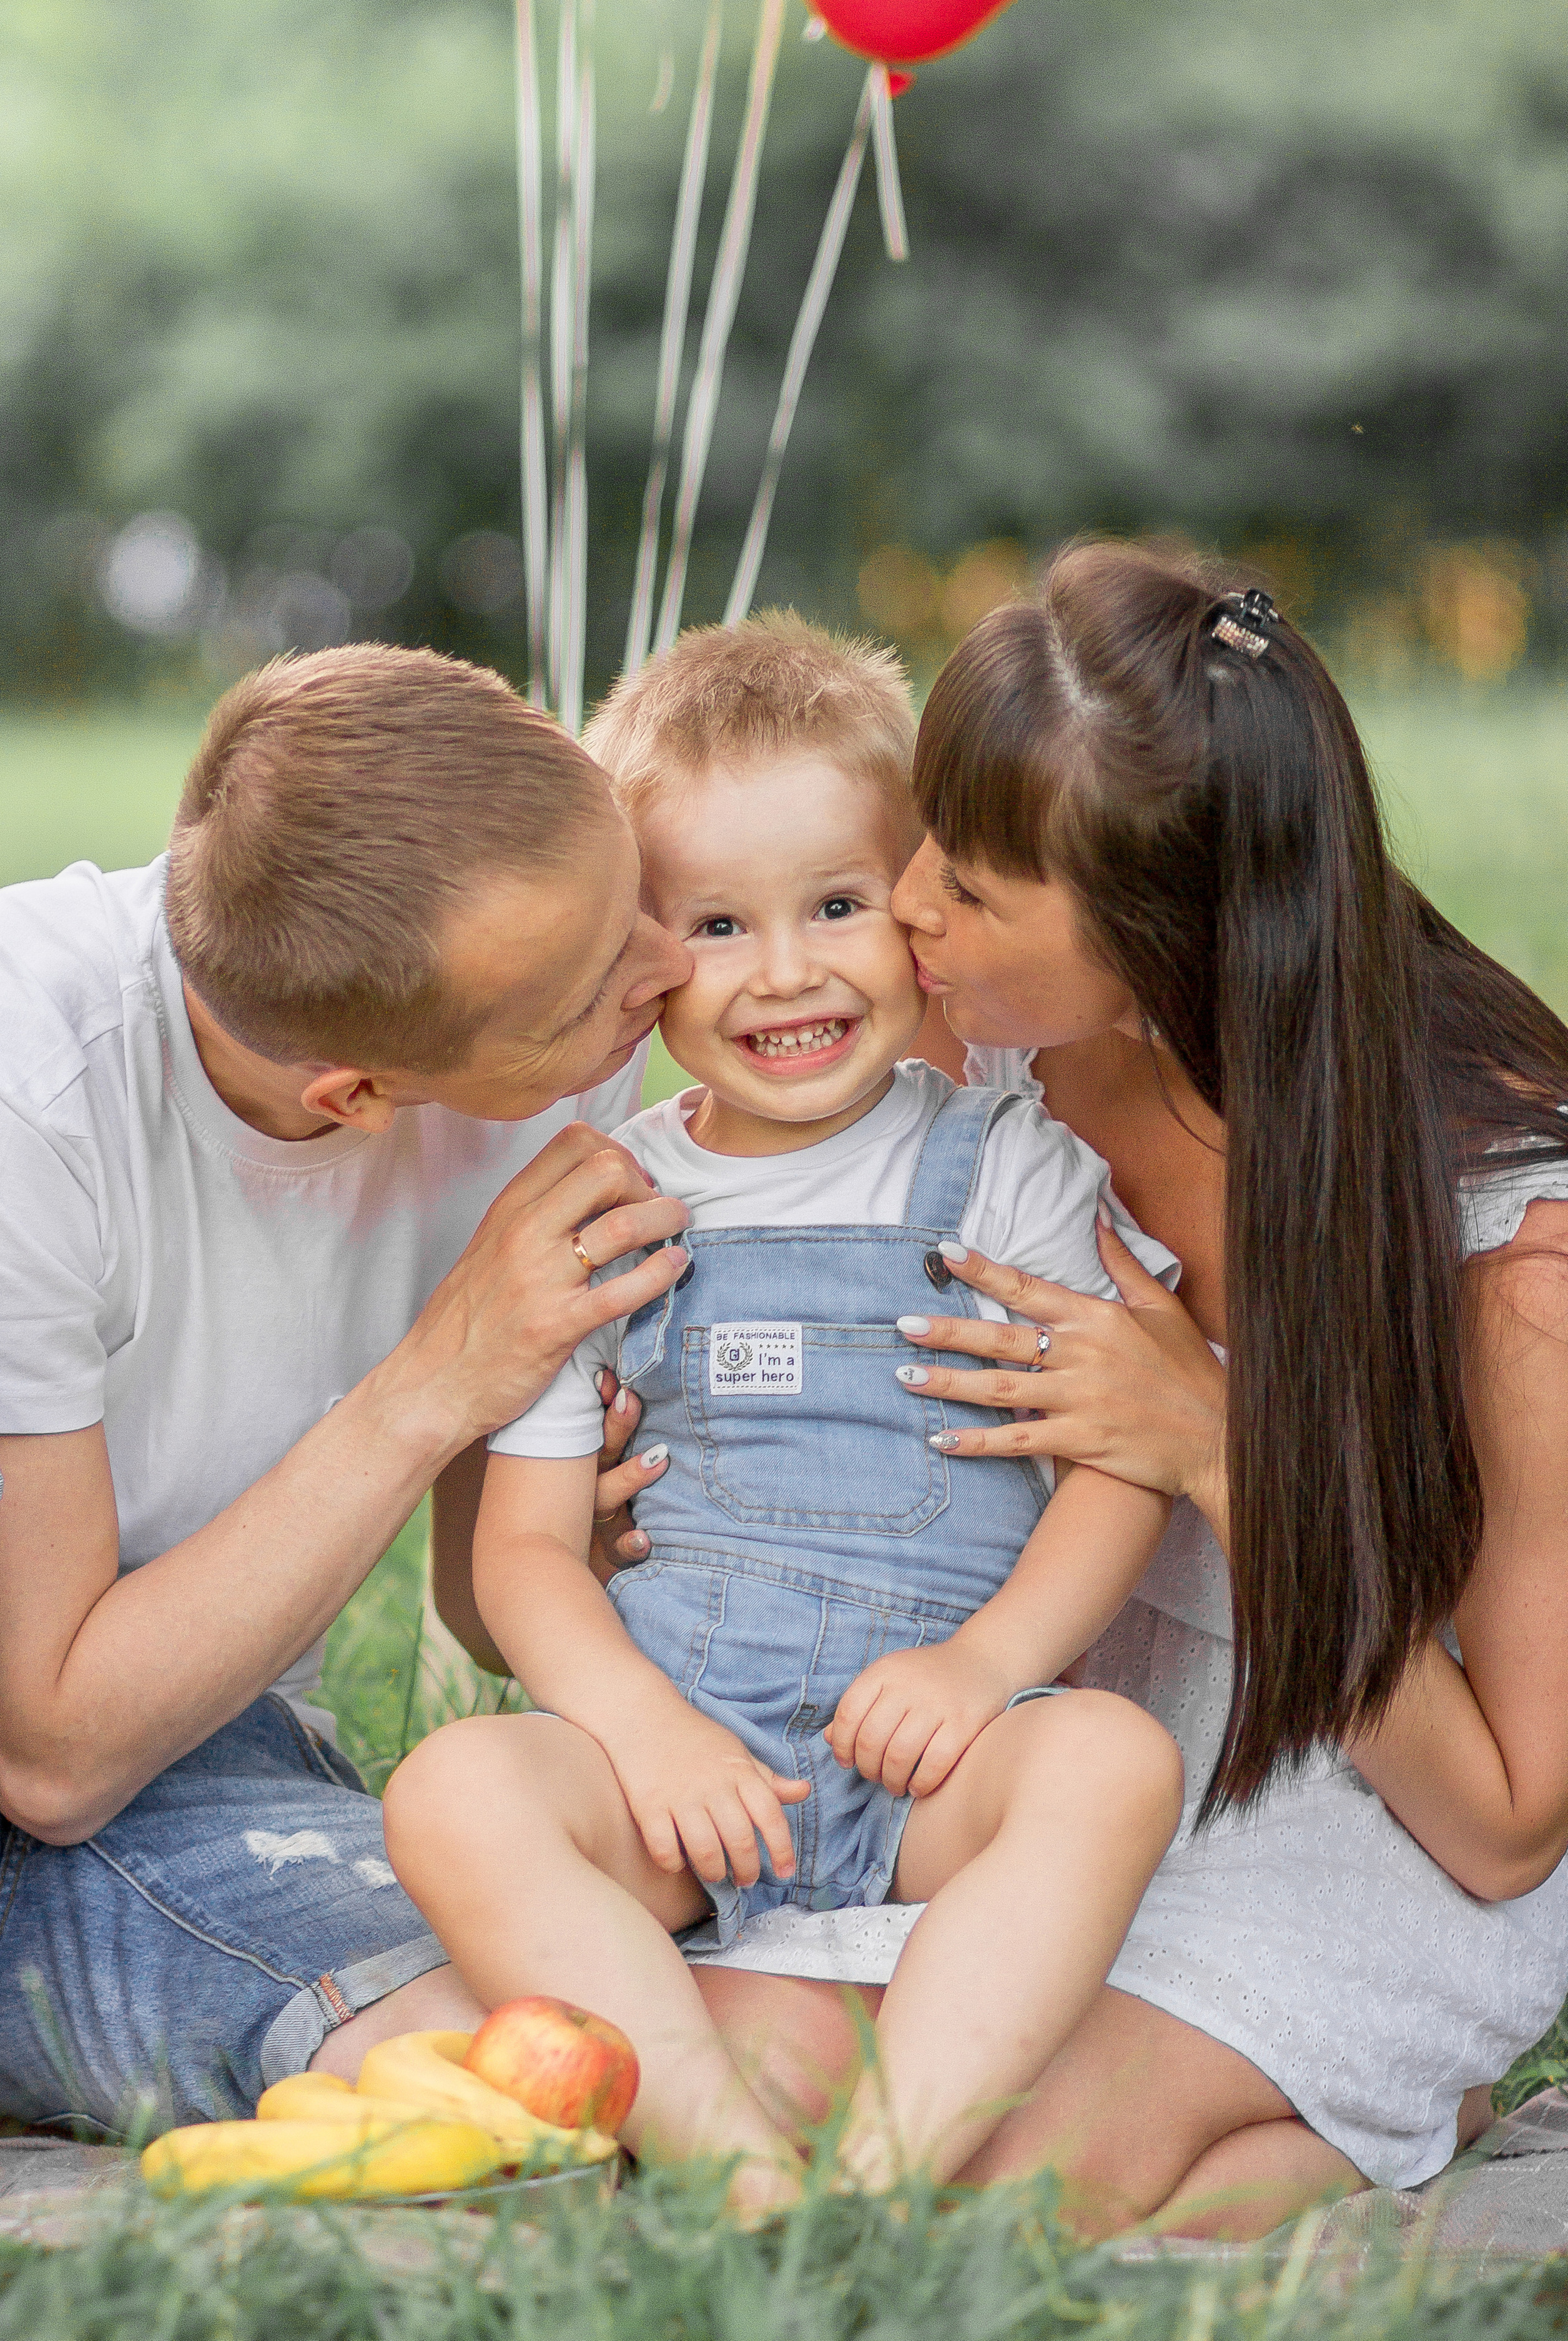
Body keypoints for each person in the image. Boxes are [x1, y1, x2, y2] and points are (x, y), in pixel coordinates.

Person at [681, 544, 1568, 2237]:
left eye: (982, 886)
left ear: (1176, 948)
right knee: (722, 2074)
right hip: (1041, 1758)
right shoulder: (975, 1051)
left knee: (997, 2186)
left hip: (1355, 1808)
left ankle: (1368, 2102)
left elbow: (1511, 1829)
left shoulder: (1512, 1257)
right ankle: (1270, 2145)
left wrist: (1217, 1456)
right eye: (934, 832)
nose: (914, 903)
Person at [383, 611, 1185, 2214]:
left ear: (915, 903)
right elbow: (522, 1558)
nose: (787, 972)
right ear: (637, 947)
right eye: (718, 925)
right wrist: (640, 1728)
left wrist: (989, 1664)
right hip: (684, 1764)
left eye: (834, 904)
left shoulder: (1006, 1167)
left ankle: (885, 2178)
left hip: (932, 1758)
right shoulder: (603, 1209)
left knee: (1105, 1761)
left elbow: (1116, 1461)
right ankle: (732, 2167)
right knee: (452, 1789)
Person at [0, 642, 694, 2132]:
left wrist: (605, 1538)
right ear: (352, 1099)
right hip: (32, 1702)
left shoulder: (559, 1027)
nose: (665, 969)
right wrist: (438, 1376)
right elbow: (43, 1750)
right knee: (508, 2045)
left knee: (563, 2019)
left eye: (630, 903)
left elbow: (483, 1604)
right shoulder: (20, 1092)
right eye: (583, 997)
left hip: (188, 1722)